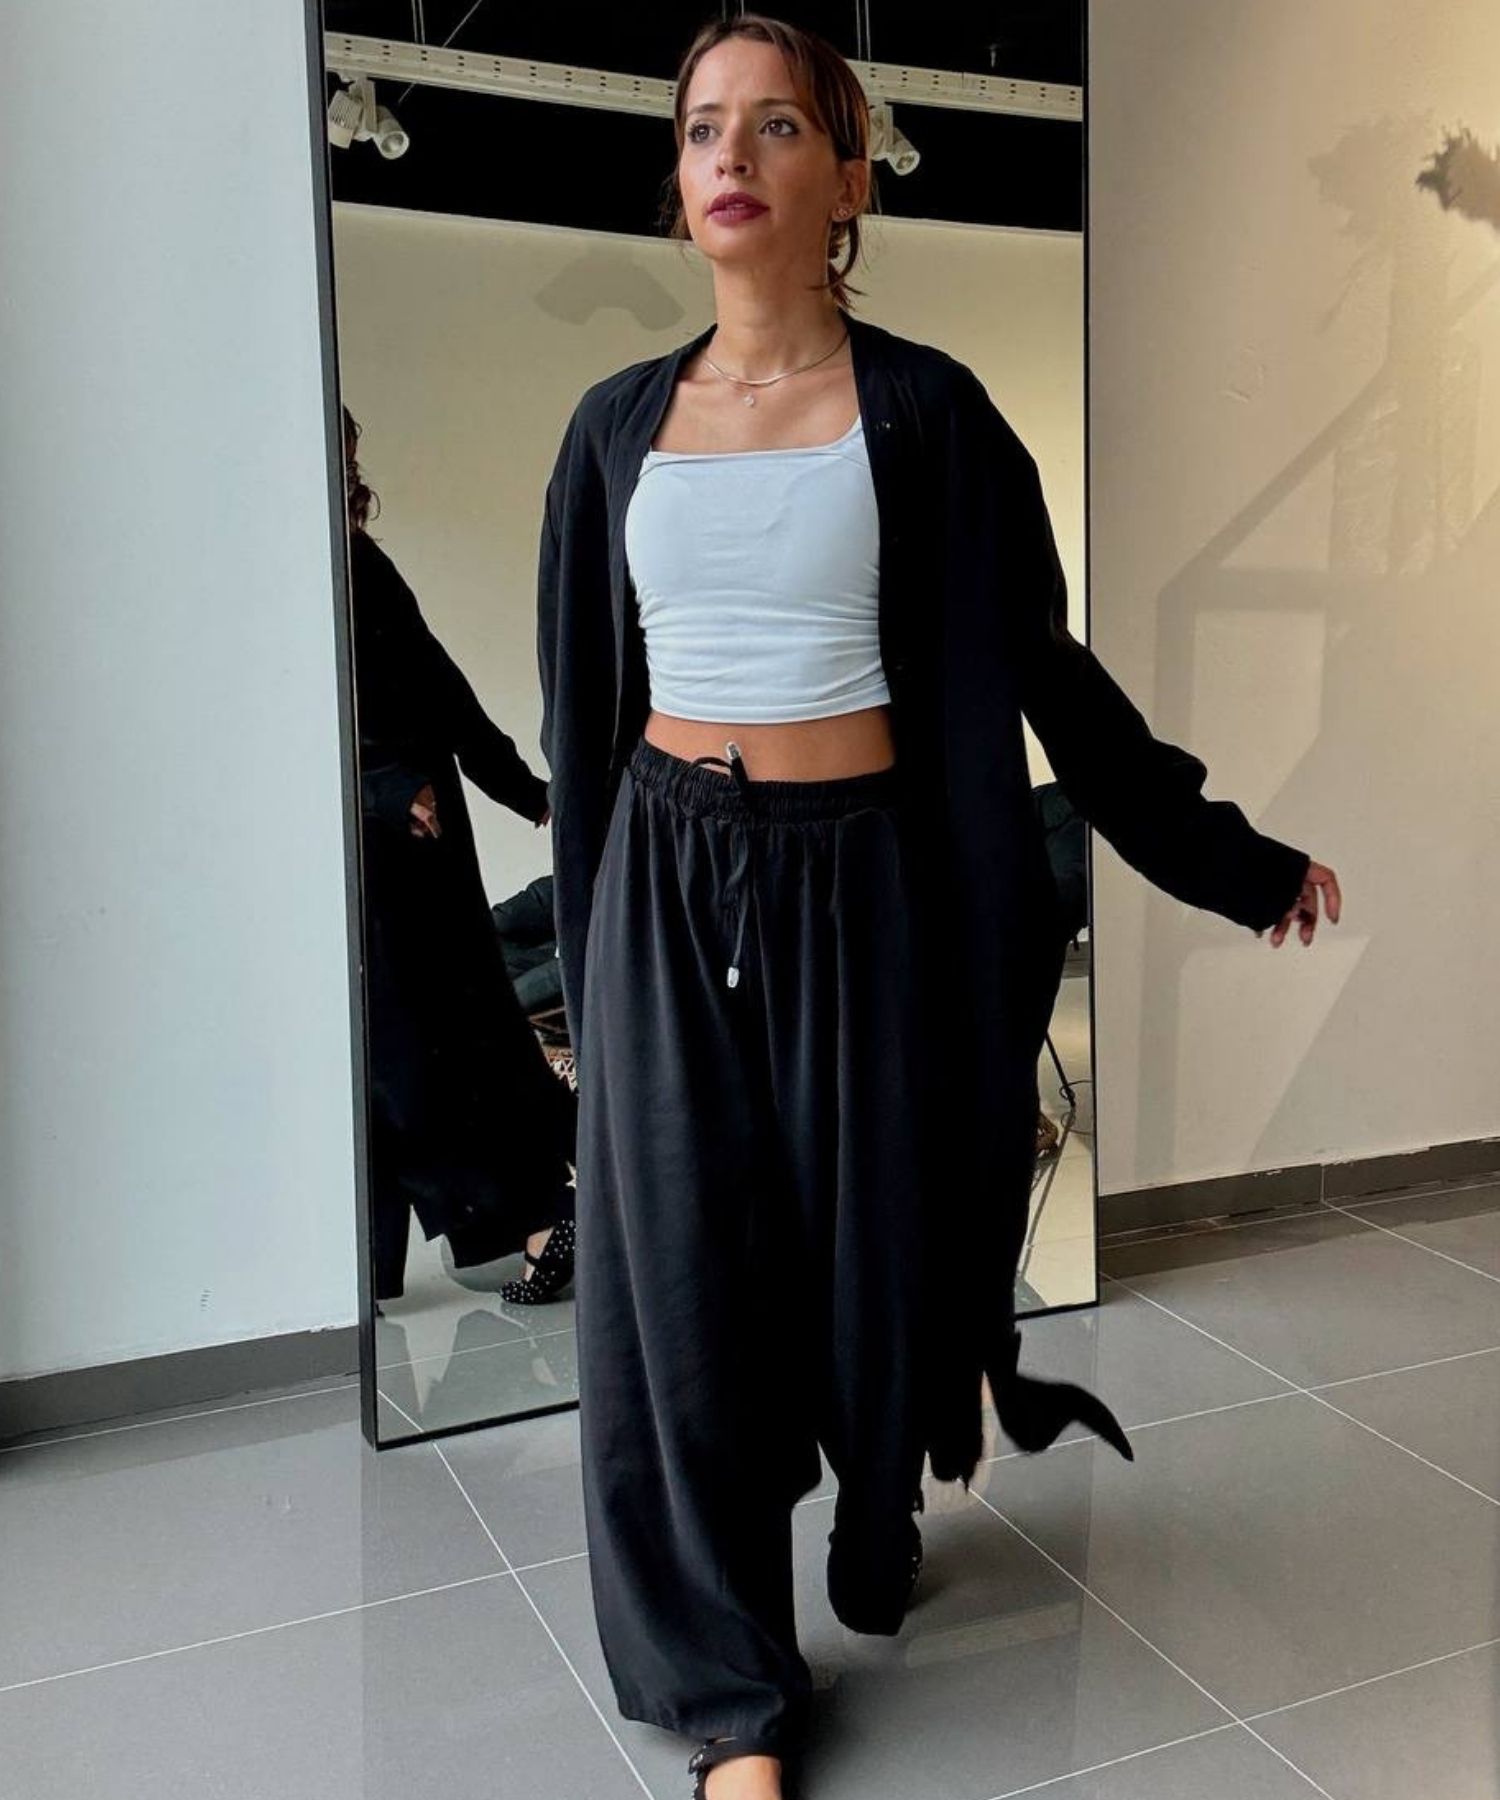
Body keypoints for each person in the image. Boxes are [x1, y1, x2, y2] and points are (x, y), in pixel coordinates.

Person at [534, 19, 1343, 1799]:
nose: (729, 153)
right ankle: (731, 1701)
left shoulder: (931, 416)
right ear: (679, 180)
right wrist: (592, 956)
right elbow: (579, 721)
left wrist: (1231, 859)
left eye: (775, 125)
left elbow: (1053, 679)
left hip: (865, 886)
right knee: (676, 1288)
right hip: (667, 881)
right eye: (701, 128)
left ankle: (878, 1489)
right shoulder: (613, 433)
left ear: (846, 178)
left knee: (874, 1260)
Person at [343, 408, 577, 1308]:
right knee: (399, 1053)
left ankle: (537, 1220)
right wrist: (383, 791)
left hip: (408, 843)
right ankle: (515, 1222)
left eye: (351, 455)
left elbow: (438, 687)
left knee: (426, 1045)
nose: (351, 472)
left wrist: (527, 791)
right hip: (378, 833)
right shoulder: (299, 566)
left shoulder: (357, 563)